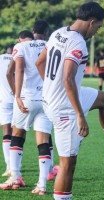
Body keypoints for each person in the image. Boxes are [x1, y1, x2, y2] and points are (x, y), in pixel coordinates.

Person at [35, 2, 104, 199]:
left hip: (50, 99)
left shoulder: (58, 33)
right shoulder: (78, 42)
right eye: (98, 27)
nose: (96, 32)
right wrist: (79, 115)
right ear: (91, 22)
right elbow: (68, 78)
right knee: (67, 164)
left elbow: (39, 62)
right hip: (65, 108)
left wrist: (51, 86)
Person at [0, 21, 54, 195]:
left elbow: (14, 71)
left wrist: (17, 94)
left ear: (33, 31)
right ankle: (42, 185)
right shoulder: (52, 45)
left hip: (27, 97)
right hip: (46, 99)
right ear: (46, 32)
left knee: (17, 135)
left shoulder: (21, 46)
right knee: (43, 141)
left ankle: (15, 177)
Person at [0, 44, 14, 177]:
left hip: (5, 101)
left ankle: (9, 166)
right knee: (19, 134)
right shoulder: (20, 56)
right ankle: (49, 169)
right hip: (20, 99)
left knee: (6, 132)